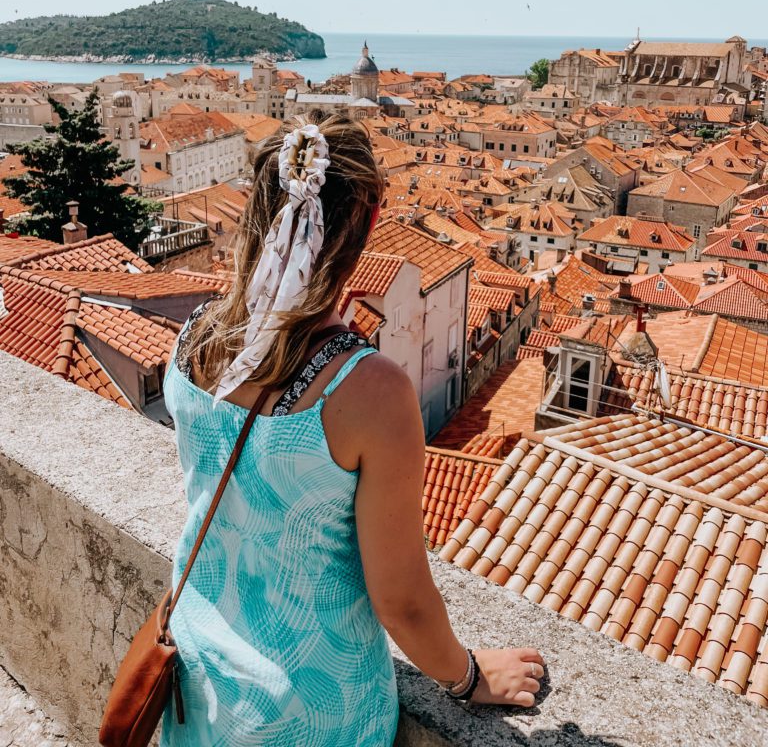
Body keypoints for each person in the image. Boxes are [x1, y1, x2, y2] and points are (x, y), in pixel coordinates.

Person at [160, 111, 544, 747]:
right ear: (368, 225)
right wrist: (469, 677)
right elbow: (401, 600)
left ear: (256, 209)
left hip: (199, 671)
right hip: (312, 707)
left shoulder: (195, 338)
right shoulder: (368, 391)